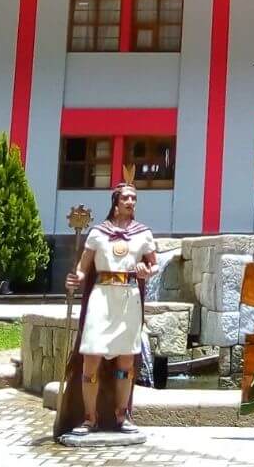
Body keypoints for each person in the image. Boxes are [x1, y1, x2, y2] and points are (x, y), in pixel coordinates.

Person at [57, 183, 158, 441]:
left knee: (126, 362)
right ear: (115, 201)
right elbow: (83, 267)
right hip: (102, 296)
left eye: (134, 198)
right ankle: (89, 417)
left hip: (129, 297)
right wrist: (75, 278)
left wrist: (147, 271)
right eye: (126, 197)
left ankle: (121, 415)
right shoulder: (98, 233)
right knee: (92, 358)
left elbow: (153, 265)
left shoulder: (143, 233)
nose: (131, 202)